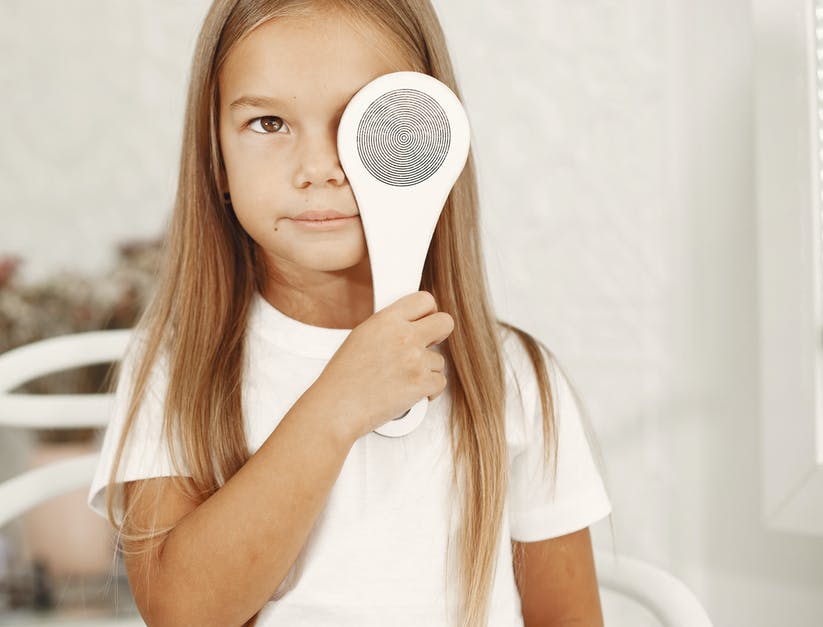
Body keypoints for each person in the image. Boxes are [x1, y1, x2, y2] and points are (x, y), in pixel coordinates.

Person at [86, 1, 612, 625]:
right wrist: (335, 407)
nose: (318, 170)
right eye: (269, 123)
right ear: (216, 153)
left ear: (435, 143)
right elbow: (182, 613)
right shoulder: (176, 371)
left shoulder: (514, 375)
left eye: (363, 122)